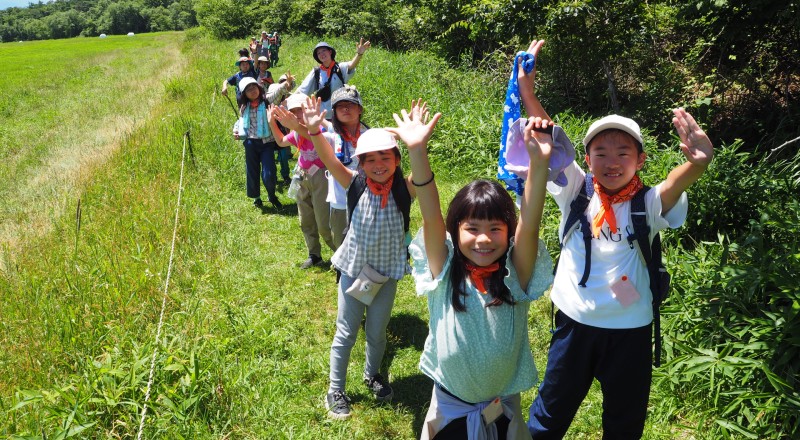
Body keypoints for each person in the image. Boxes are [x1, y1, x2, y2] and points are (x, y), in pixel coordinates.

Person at [520, 41, 715, 439]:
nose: (612, 162)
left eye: (623, 152)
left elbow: (675, 184)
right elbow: (550, 139)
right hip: (574, 320)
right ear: (587, 159)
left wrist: (698, 164)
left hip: (631, 328)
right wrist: (527, 92)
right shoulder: (576, 189)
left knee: (624, 425)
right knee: (548, 417)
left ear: (640, 160)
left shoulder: (648, 202)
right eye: (601, 152)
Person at [395, 100, 553, 439]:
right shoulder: (443, 266)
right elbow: (431, 213)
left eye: (495, 228)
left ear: (509, 233)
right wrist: (417, 152)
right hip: (451, 412)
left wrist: (539, 164)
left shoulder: (516, 274)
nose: (484, 239)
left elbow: (531, 222)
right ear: (455, 231)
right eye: (472, 228)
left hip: (504, 408)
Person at [302, 96, 418, 421]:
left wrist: (417, 146)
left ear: (397, 159)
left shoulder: (403, 190)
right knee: (346, 331)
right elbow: (327, 158)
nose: (378, 164)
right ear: (360, 164)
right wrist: (314, 132)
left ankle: (373, 374)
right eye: (370, 160)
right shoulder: (354, 183)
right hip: (354, 270)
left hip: (386, 275)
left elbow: (422, 175)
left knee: (377, 333)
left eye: (386, 157)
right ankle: (335, 388)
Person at [270, 93, 336, 268]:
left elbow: (312, 136)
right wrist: (272, 122)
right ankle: (314, 254)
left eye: (301, 109)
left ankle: (341, 256)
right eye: (293, 111)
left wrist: (294, 126)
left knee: (324, 223)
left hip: (322, 177)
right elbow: (281, 141)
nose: (297, 114)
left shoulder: (318, 130)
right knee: (305, 218)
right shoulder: (296, 133)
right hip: (302, 174)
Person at [316, 85, 370, 248]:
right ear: (335, 112)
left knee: (366, 243)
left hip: (368, 199)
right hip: (341, 201)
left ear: (360, 109)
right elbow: (312, 135)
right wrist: (307, 127)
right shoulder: (331, 136)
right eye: (340, 106)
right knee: (342, 245)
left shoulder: (370, 135)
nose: (346, 109)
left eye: (351, 104)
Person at [232, 77, 283, 209]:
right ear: (244, 94)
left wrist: (287, 84)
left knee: (269, 173)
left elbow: (279, 92)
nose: (252, 91)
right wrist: (236, 130)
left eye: (254, 87)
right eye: (248, 90)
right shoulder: (244, 107)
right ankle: (257, 198)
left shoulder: (267, 101)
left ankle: (272, 195)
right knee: (252, 171)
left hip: (267, 143)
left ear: (259, 88)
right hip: (250, 143)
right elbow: (240, 121)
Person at [297, 39, 371, 118]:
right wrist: (287, 97)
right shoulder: (316, 72)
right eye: (319, 53)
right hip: (323, 115)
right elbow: (302, 90)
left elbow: (351, 65)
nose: (321, 54)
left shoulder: (340, 67)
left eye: (324, 50)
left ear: (330, 52)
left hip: (339, 113)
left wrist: (359, 54)